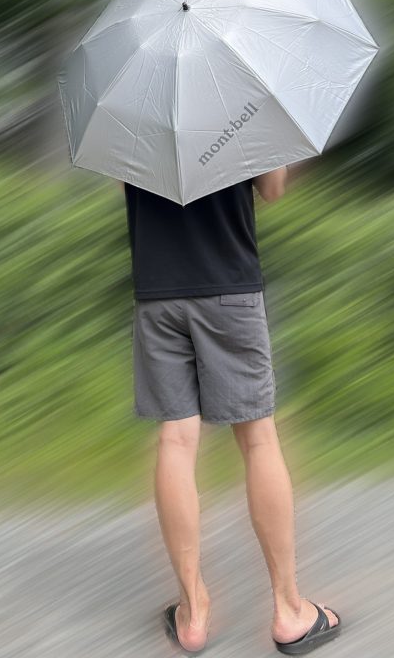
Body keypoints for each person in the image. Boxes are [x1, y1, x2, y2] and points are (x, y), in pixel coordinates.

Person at [119, 167, 341, 654]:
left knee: (175, 441)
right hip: (229, 287)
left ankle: (193, 613)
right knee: (258, 438)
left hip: (157, 294)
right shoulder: (244, 97)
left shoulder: (132, 98)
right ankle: (289, 611)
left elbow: (129, 184)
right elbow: (273, 190)